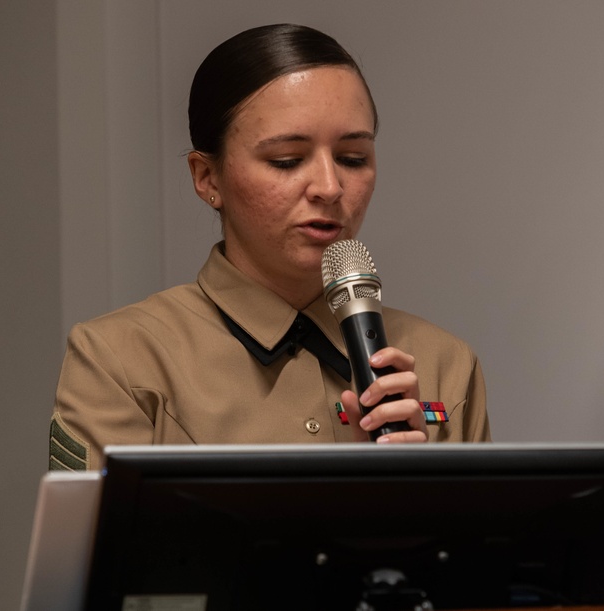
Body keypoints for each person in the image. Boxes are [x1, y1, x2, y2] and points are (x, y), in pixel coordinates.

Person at [49, 24, 490, 471]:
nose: (330, 187)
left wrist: (408, 491)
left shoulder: (443, 363)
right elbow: (94, 541)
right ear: (207, 178)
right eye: (287, 161)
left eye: (353, 158)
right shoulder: (121, 359)